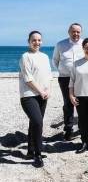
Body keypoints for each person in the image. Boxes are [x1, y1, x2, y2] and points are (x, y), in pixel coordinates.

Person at [19, 31, 52, 168]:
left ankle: (30, 150)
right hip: (28, 96)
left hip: (43, 95)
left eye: (39, 40)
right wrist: (40, 91)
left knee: (34, 123)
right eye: (34, 40)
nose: (37, 42)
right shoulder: (25, 57)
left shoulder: (44, 56)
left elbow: (49, 75)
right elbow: (28, 79)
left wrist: (48, 90)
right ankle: (38, 155)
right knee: (38, 122)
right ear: (29, 41)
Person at [52, 23, 84, 141]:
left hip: (81, 79)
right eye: (73, 31)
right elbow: (55, 60)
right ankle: (68, 130)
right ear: (69, 32)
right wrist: (63, 70)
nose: (76, 34)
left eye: (78, 32)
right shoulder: (60, 44)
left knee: (81, 103)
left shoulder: (84, 44)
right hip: (65, 78)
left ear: (81, 33)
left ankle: (82, 128)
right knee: (68, 104)